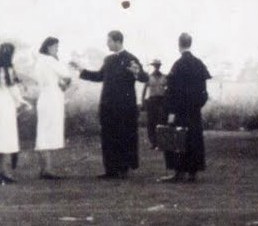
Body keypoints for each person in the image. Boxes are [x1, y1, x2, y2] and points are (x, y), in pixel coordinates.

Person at [72, 30, 145, 179]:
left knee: (124, 137)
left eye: (109, 41)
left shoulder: (131, 59)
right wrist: (81, 70)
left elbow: (144, 77)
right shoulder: (108, 60)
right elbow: (99, 76)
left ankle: (123, 169)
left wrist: (137, 73)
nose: (107, 44)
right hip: (108, 106)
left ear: (117, 41)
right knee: (108, 137)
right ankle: (110, 170)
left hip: (125, 107)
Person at [160, 33, 210, 183]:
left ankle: (179, 172)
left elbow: (171, 92)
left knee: (178, 140)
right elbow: (204, 92)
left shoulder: (178, 65)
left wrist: (171, 111)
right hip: (194, 111)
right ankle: (193, 173)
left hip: (180, 111)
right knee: (194, 140)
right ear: (190, 43)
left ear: (179, 44)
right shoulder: (199, 64)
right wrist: (196, 106)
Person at [31, 37, 71, 179]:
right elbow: (67, 75)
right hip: (53, 98)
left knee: (43, 131)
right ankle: (47, 169)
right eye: (56, 47)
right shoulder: (51, 61)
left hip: (43, 98)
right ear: (49, 47)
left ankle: (44, 168)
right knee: (48, 132)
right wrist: (64, 84)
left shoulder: (39, 62)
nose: (57, 50)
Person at [0, 43, 26, 184]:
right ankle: (3, 171)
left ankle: (3, 171)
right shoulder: (8, 70)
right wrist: (22, 102)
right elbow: (12, 89)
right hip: (5, 104)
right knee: (5, 139)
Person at [142, 60, 168, 149]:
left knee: (161, 120)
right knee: (151, 121)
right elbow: (144, 89)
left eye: (158, 65)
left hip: (162, 100)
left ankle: (161, 142)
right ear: (153, 66)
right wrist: (142, 101)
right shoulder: (149, 77)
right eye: (155, 66)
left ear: (160, 66)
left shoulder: (164, 77)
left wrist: (167, 99)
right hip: (152, 100)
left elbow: (169, 89)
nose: (156, 67)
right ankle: (153, 142)